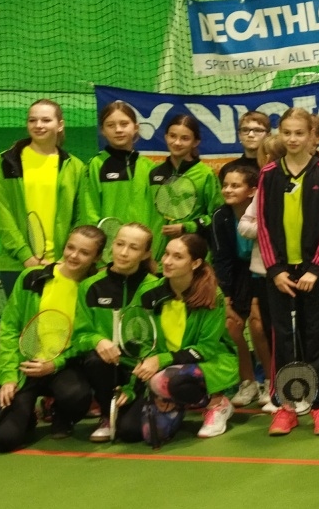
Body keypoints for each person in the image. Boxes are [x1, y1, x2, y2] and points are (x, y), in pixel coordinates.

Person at [256, 107, 319, 436]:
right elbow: (263, 225)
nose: (293, 139)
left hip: (314, 275)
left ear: (311, 137)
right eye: (287, 133)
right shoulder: (268, 174)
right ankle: (286, 407)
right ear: (280, 135)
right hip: (280, 276)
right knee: (283, 341)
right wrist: (275, 270)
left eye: (299, 133)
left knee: (317, 338)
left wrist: (316, 269)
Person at [0, 225, 107, 452]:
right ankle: (28, 414)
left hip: (63, 367)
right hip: (25, 366)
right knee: (3, 440)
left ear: (97, 257)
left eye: (84, 252)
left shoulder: (94, 289)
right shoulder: (33, 277)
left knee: (76, 396)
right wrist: (9, 376)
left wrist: (55, 364)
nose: (73, 255)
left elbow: (86, 338)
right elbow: (10, 327)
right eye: (70, 247)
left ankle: (62, 414)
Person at [122, 233, 240, 444]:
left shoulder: (212, 294)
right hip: (164, 369)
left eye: (177, 257)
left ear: (195, 263)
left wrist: (161, 361)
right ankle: (170, 396)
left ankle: (217, 403)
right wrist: (146, 366)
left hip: (209, 363)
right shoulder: (149, 292)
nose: (167, 261)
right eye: (166, 254)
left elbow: (205, 349)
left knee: (164, 381)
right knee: (134, 432)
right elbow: (143, 339)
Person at [0, 98, 87, 293]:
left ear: (60, 125)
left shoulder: (75, 167)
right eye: (32, 120)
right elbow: (1, 213)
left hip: (63, 265)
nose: (38, 125)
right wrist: (25, 256)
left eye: (46, 120)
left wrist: (65, 258)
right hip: (17, 264)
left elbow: (80, 217)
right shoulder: (7, 161)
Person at [73, 221, 155, 442]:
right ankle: (106, 415)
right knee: (94, 359)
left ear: (146, 254)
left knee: (130, 432)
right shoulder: (90, 286)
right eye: (120, 244)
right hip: (106, 367)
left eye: (134, 248)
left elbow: (159, 343)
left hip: (140, 370)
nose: (124, 253)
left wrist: (132, 385)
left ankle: (153, 404)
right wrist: (97, 340)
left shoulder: (156, 288)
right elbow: (79, 336)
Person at [212, 161, 268, 410]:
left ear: (252, 190)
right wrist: (225, 296)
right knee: (231, 326)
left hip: (260, 271)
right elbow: (221, 258)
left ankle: (270, 382)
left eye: (235, 186)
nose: (228, 190)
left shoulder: (263, 211)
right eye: (225, 185)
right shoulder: (220, 216)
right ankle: (248, 382)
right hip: (234, 276)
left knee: (258, 326)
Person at [236, 132, 283, 414]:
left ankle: (294, 386)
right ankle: (274, 385)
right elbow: (244, 226)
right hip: (263, 273)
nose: (269, 163)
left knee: (287, 332)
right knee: (266, 328)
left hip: (291, 273)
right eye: (267, 158)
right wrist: (266, 229)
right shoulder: (262, 189)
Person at [79, 100, 154, 257]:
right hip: (107, 257)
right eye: (110, 125)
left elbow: (156, 217)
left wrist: (149, 254)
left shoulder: (150, 168)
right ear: (103, 131)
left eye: (124, 124)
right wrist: (100, 255)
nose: (118, 130)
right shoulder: (95, 165)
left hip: (142, 256)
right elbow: (90, 213)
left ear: (135, 127)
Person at [149, 114, 218, 265]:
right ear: (166, 137)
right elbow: (148, 214)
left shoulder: (205, 174)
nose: (177, 142)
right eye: (172, 136)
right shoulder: (154, 173)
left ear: (195, 142)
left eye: (185, 138)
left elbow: (216, 215)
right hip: (156, 260)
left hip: (190, 258)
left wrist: (187, 227)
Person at [221, 110, 272, 180]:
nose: (250, 135)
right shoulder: (228, 169)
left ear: (268, 135)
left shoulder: (276, 167)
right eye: (245, 130)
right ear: (239, 135)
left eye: (257, 130)